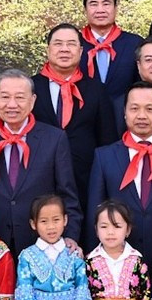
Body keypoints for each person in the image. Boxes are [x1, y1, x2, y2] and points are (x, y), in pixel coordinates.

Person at [0, 70, 78, 249]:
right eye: (5, 97)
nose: (12, 104)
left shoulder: (54, 139)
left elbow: (67, 193)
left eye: (20, 97)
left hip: (42, 243)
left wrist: (71, 236)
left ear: (32, 101)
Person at [87, 82, 152, 264]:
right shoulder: (104, 156)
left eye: (150, 109)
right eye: (134, 108)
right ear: (124, 112)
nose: (141, 116)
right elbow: (94, 212)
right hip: (117, 262)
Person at [32, 23, 107, 187]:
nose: (64, 49)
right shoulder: (31, 87)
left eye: (71, 44)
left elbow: (106, 140)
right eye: (58, 44)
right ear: (48, 50)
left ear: (81, 51)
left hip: (84, 180)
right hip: (38, 179)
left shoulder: (96, 89)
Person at [77, 0, 144, 102]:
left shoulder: (135, 43)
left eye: (106, 4)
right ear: (85, 10)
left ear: (115, 9)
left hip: (123, 110)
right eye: (94, 4)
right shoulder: (74, 44)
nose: (100, 10)